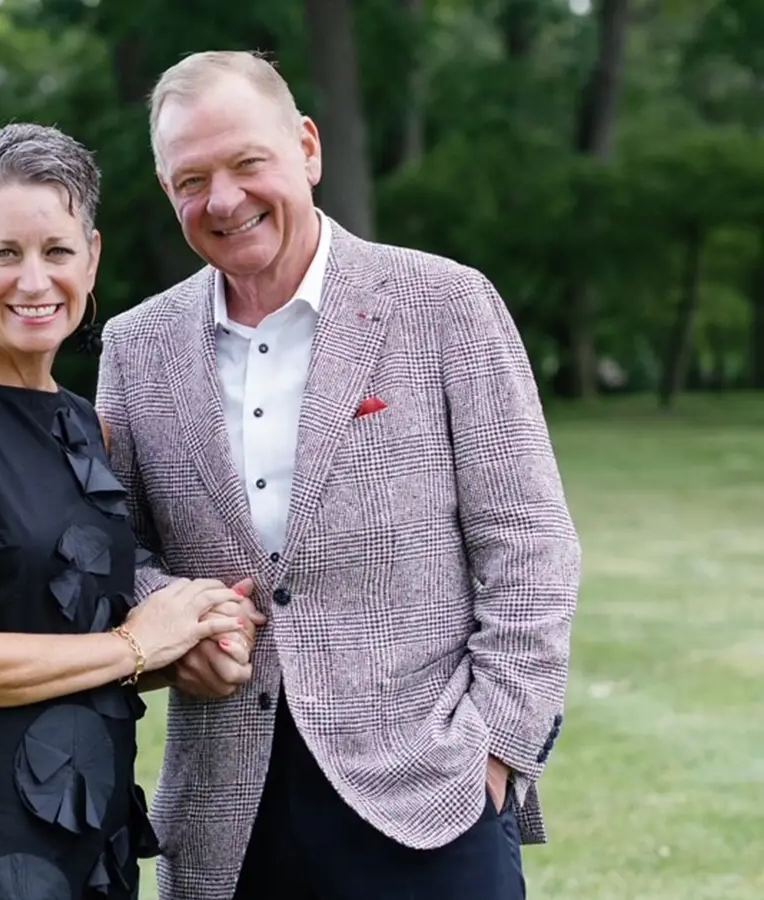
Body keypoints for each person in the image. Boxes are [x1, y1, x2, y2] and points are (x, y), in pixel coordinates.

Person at [95, 51, 583, 900]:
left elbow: (530, 544)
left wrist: (496, 752)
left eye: (249, 163)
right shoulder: (135, 347)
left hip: (431, 799)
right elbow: (112, 551)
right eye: (191, 179)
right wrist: (173, 628)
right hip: (226, 819)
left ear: (307, 149)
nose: (223, 199)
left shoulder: (446, 304)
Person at [0, 121, 259, 900]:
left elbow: (68, 646)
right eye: (4, 253)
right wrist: (140, 644)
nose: (34, 280)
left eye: (57, 252)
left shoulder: (86, 424)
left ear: (92, 259)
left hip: (82, 810)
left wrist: (196, 638)